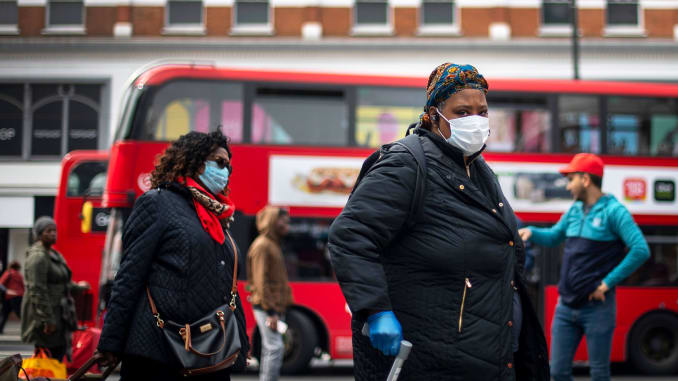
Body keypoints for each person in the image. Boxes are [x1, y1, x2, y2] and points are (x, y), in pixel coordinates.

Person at [328, 63, 549, 381]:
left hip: (485, 358)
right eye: (462, 112)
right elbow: (350, 235)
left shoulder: (478, 169)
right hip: (428, 362)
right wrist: (375, 310)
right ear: (433, 115)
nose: (475, 121)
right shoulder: (405, 165)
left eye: (482, 112)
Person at [97, 130, 249, 380]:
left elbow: (225, 286)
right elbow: (129, 276)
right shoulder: (157, 204)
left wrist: (240, 343)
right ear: (194, 160)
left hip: (209, 350)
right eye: (219, 163)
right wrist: (111, 342)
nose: (225, 171)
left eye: (228, 167)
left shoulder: (217, 215)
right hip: (158, 349)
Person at [518, 153, 650, 381]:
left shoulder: (615, 212)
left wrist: (607, 284)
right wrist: (531, 232)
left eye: (571, 179)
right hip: (565, 307)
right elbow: (553, 237)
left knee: (599, 373)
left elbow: (640, 250)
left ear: (586, 180)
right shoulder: (573, 211)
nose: (568, 186)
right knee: (557, 372)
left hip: (597, 308)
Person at [21, 216, 89, 361]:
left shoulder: (53, 253)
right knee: (49, 356)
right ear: (39, 234)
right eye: (48, 231)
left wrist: (78, 287)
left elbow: (63, 282)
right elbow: (37, 290)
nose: (53, 234)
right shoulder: (38, 257)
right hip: (46, 316)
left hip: (59, 313)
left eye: (54, 230)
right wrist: (48, 320)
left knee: (58, 352)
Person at [246, 206, 293, 381]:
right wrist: (271, 312)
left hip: (273, 306)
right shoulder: (263, 246)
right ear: (272, 221)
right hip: (267, 307)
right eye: (283, 220)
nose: (287, 223)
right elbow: (260, 282)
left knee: (271, 347)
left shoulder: (272, 244)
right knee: (275, 347)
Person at [0, 261, 25, 334]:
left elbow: (1, 284)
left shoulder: (9, 273)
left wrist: (6, 291)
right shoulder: (19, 275)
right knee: (20, 313)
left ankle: (0, 329)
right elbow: (22, 286)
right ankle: (25, 329)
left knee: (4, 314)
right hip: (18, 296)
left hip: (9, 296)